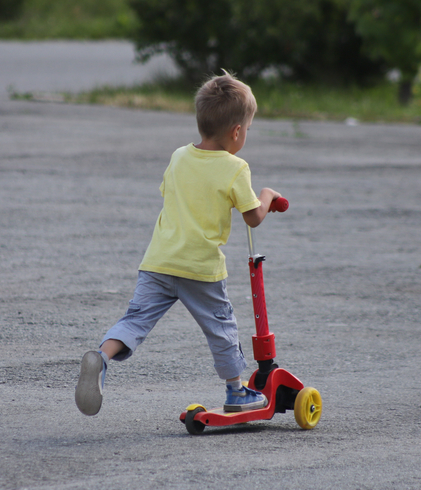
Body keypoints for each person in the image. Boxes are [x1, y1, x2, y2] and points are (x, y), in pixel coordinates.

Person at [75, 71, 282, 417]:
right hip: (200, 268)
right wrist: (267, 195)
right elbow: (252, 217)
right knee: (221, 327)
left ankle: (103, 357)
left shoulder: (179, 156)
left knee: (136, 319)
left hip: (158, 261)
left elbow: (169, 194)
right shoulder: (235, 168)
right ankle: (236, 392)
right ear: (236, 132)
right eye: (247, 128)